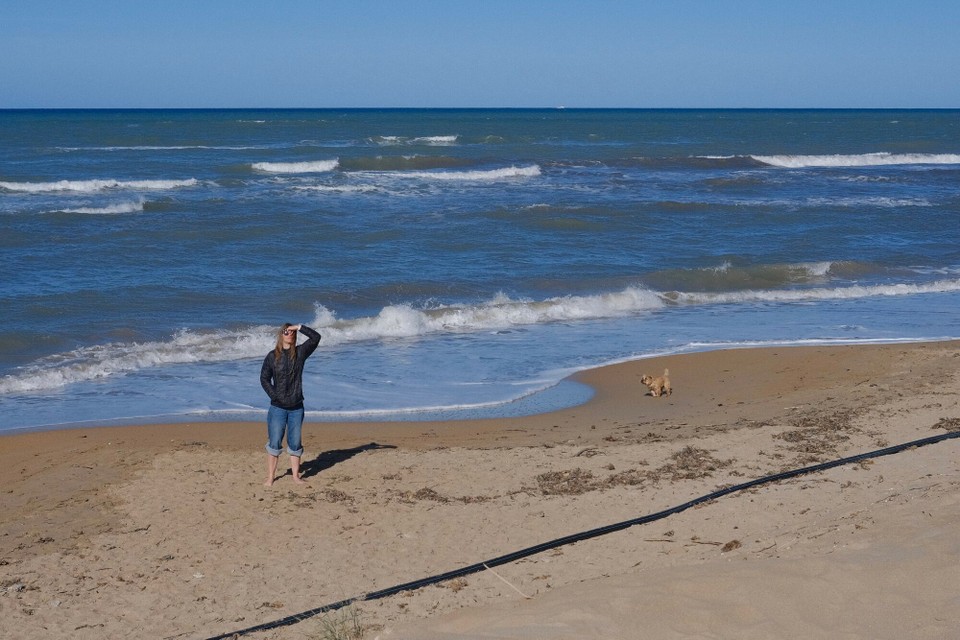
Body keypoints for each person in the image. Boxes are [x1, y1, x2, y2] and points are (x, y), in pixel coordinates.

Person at [260, 322, 321, 486]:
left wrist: (299, 327)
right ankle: (270, 477)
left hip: (296, 408)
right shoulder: (272, 356)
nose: (290, 334)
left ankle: (295, 476)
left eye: (292, 332)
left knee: (295, 443)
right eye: (286, 331)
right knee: (274, 443)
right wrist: (275, 395)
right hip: (277, 408)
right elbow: (264, 379)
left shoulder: (300, 353)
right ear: (281, 335)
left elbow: (316, 338)